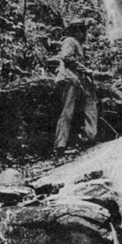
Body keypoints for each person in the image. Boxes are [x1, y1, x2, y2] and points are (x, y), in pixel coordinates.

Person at [53, 18, 98, 156]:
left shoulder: (77, 44)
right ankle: (60, 145)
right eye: (81, 30)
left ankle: (88, 137)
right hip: (69, 79)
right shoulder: (69, 41)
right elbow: (66, 57)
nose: (83, 33)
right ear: (76, 31)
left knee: (90, 105)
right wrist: (86, 70)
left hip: (77, 81)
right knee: (67, 112)